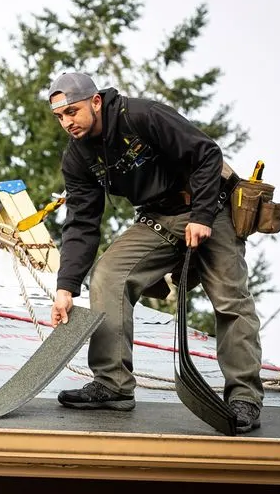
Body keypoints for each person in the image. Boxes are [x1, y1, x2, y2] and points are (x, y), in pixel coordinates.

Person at [47, 72, 263, 433]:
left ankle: (244, 398)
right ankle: (112, 384)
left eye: (73, 111)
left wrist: (202, 216)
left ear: (96, 101)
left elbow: (207, 155)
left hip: (210, 206)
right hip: (158, 218)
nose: (67, 122)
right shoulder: (77, 158)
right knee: (109, 275)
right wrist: (66, 287)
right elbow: (82, 223)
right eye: (60, 117)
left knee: (230, 299)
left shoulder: (143, 116)